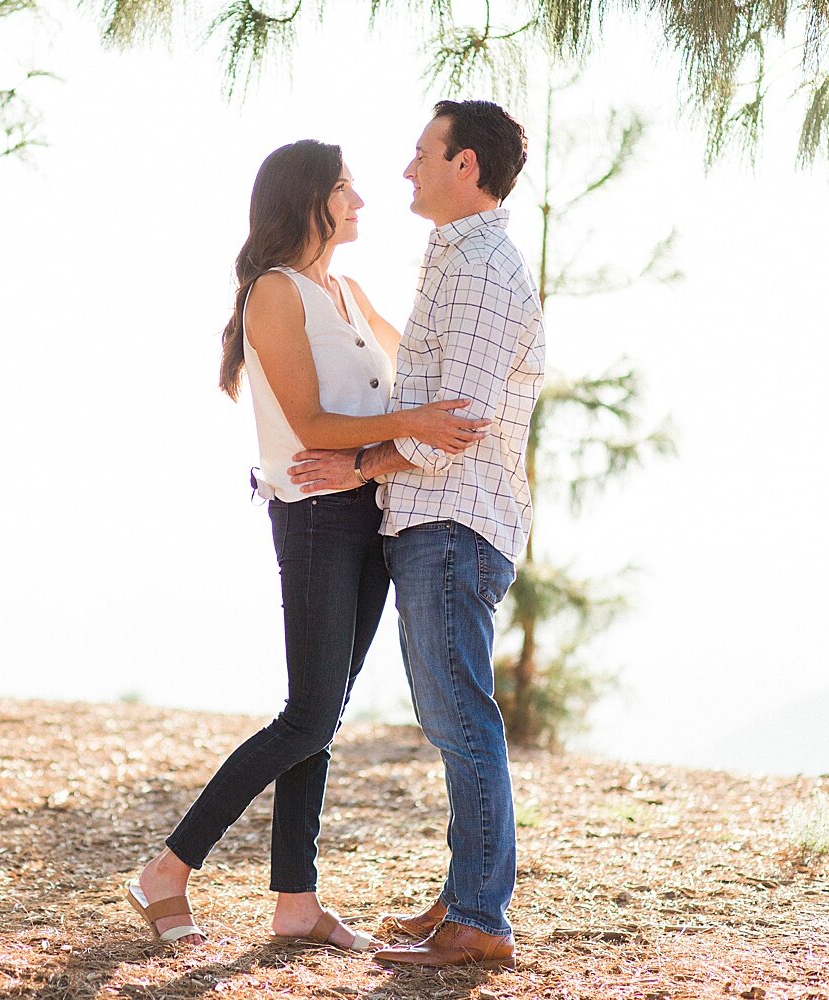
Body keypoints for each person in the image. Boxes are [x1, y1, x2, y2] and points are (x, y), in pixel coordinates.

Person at [123, 139, 490, 951]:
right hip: (317, 514)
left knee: (321, 715)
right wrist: (409, 425)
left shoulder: (349, 293)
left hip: (370, 514)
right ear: (310, 199)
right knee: (306, 715)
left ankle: (295, 903)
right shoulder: (274, 294)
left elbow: (420, 369)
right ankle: (168, 871)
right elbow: (311, 425)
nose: (363, 200)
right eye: (347, 188)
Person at [288, 100, 544, 970]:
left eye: (421, 154)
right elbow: (428, 399)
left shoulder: (479, 271)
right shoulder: (456, 259)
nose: (406, 171)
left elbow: (456, 426)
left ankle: (481, 917)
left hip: (453, 519)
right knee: (451, 718)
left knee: (459, 716)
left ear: (464, 165)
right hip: (438, 521)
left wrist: (358, 465)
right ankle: (463, 897)